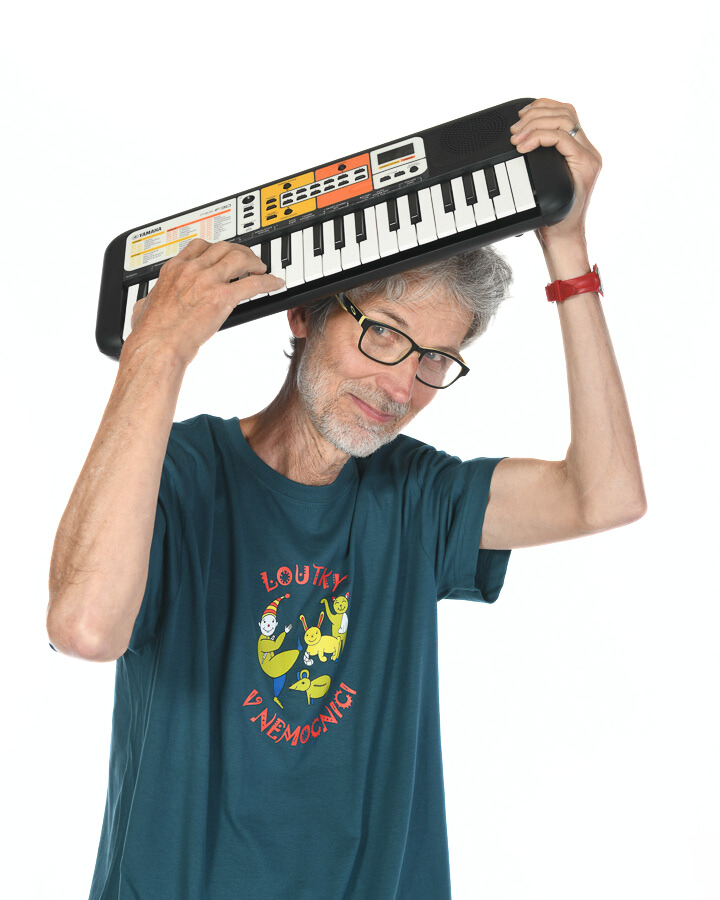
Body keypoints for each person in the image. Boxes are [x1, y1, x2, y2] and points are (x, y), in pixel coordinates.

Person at [47, 98, 646, 899]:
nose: (402, 385)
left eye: (435, 358)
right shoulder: (181, 470)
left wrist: (567, 248)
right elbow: (85, 627)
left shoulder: (417, 496)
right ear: (302, 313)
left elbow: (605, 496)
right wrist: (156, 351)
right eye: (384, 332)